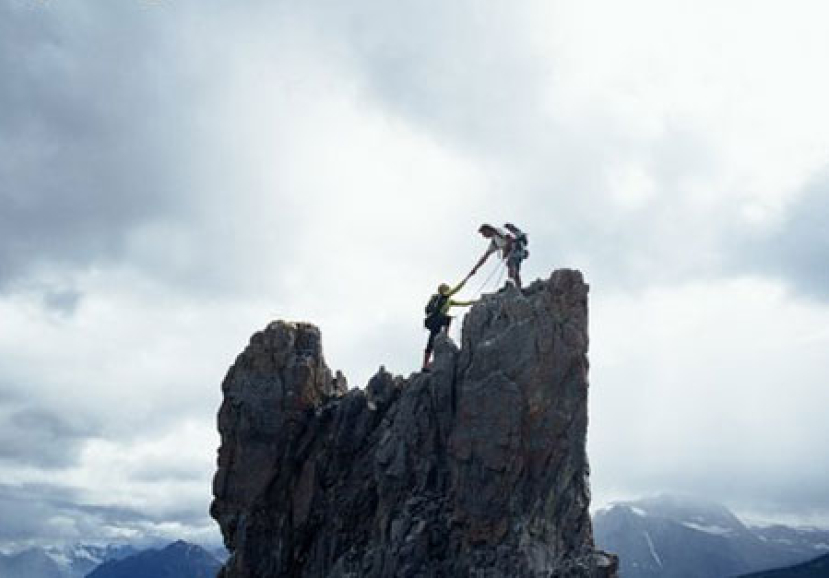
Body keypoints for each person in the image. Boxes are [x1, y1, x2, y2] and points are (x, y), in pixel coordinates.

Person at [422, 275, 476, 371]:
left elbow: (463, 303)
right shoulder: (442, 296)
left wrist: (474, 301)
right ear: (443, 290)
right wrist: (466, 279)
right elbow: (456, 290)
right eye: (446, 289)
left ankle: (425, 365)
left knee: (431, 340)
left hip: (435, 322)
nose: (448, 290)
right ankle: (444, 337)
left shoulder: (448, 300)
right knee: (447, 319)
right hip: (435, 319)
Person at [471, 222, 529, 289]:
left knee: (511, 263)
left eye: (483, 233)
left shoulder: (499, 231)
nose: (483, 236)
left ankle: (510, 282)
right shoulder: (494, 242)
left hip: (517, 248)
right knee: (514, 269)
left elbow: (509, 239)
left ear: (488, 230)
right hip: (515, 251)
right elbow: (485, 257)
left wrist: (506, 251)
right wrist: (475, 269)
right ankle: (518, 287)